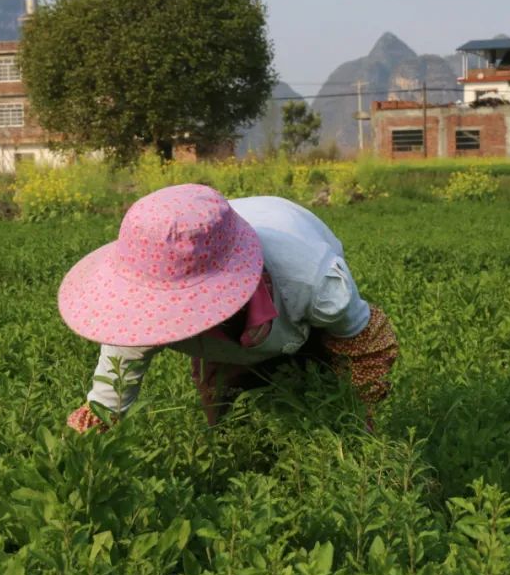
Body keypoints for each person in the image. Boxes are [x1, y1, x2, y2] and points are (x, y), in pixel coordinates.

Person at [58, 184, 398, 432]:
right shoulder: (134, 310)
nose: (181, 312)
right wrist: (86, 453)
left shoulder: (312, 280)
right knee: (227, 417)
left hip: (297, 315)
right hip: (227, 293)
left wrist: (358, 417)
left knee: (324, 407)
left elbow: (361, 342)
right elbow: (109, 397)